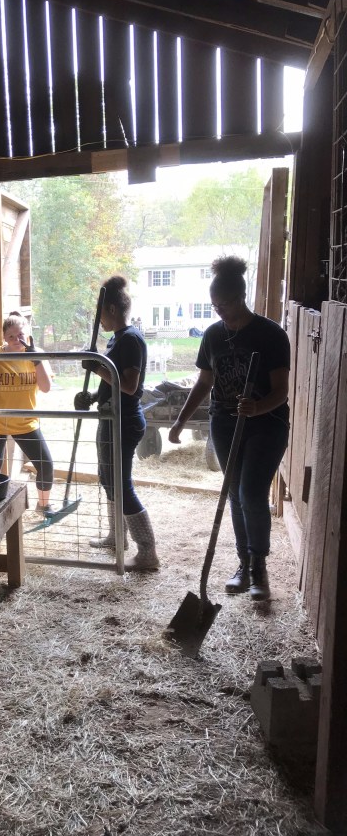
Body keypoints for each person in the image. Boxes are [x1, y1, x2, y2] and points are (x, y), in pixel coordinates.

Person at [168, 256, 290, 601]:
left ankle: (259, 567)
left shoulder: (270, 334)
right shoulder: (213, 336)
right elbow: (204, 382)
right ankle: (243, 564)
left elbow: (281, 390)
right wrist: (180, 421)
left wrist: (257, 407)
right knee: (234, 493)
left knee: (251, 492)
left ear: (241, 297)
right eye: (214, 305)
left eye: (224, 304)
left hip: (267, 424)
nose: (219, 311)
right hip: (223, 422)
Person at [74, 276, 159, 570]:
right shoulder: (117, 339)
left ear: (111, 308)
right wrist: (92, 396)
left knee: (121, 484)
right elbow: (113, 385)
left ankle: (147, 552)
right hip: (110, 416)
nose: (98, 320)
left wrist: (97, 366)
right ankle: (116, 537)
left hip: (124, 420)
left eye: (100, 313)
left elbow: (131, 386)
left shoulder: (131, 339)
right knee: (108, 478)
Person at [0, 312, 55, 514]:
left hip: (26, 422)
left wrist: (36, 360)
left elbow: (46, 388)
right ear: (4, 337)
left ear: (28, 334)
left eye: (20, 335)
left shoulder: (36, 354)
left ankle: (43, 505)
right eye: (11, 336)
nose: (16, 339)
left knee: (46, 465)